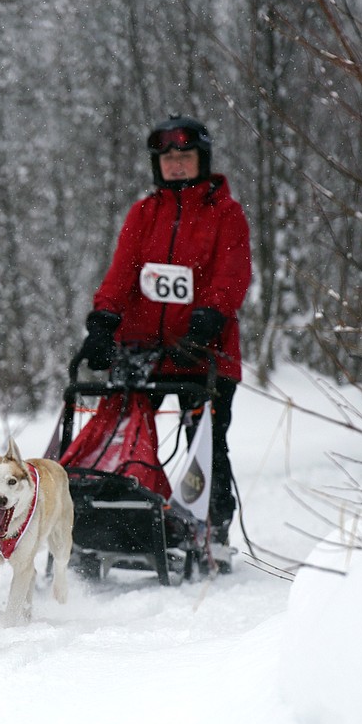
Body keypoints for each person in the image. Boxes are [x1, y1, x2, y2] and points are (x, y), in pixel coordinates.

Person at [75, 114, 252, 547]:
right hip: (140, 348)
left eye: (185, 156)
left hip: (203, 351)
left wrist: (208, 315)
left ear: (201, 160)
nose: (176, 165)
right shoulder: (144, 213)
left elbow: (231, 276)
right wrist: (102, 322)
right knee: (123, 430)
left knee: (205, 443)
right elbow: (121, 274)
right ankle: (118, 519)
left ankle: (210, 526)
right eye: (167, 158)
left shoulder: (226, 214)